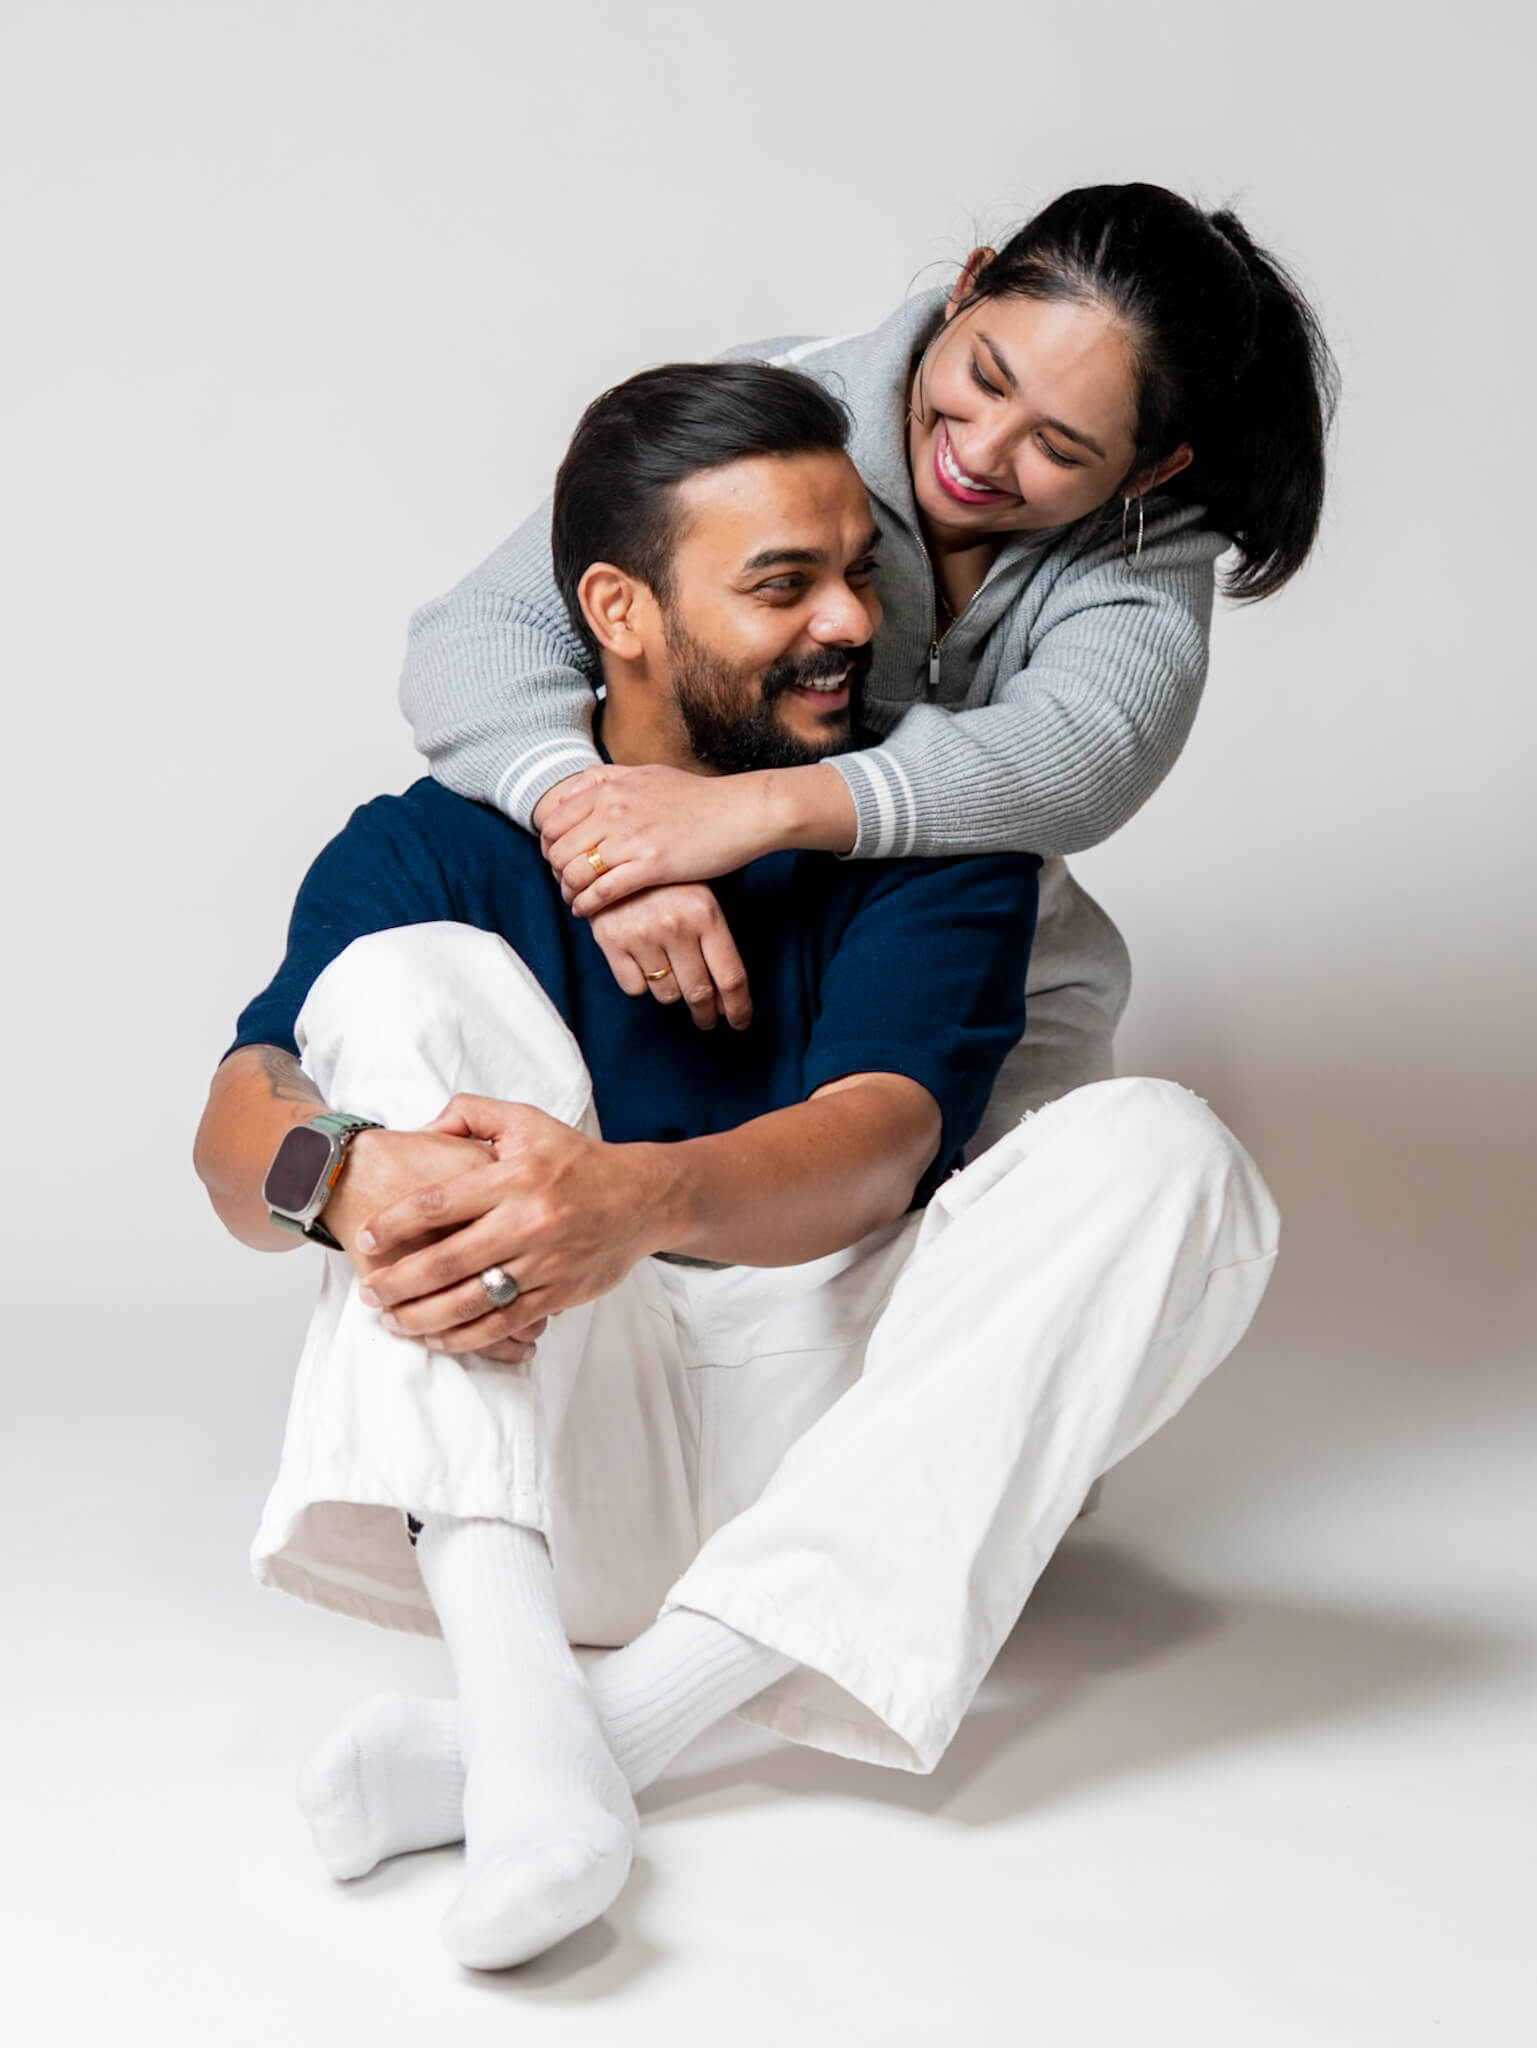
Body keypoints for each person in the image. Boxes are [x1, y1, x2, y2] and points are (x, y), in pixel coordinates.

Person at [194, 361, 1279, 1973]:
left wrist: (636, 1199)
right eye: (782, 587)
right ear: (619, 612)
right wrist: (343, 1182)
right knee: (401, 983)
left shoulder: (924, 826)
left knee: (1169, 1160)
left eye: (858, 572)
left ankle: (571, 1746)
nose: (849, 623)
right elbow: (235, 1130)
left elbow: (881, 1143)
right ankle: (519, 1676)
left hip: (844, 1461)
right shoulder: (433, 840)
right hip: (546, 1459)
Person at [400, 181, 1336, 1148]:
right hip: (716, 952)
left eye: (1057, 447)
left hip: (982, 993)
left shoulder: (1147, 543)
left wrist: (747, 812)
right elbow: (481, 634)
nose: (981, 452)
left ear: (1148, 471)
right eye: (986, 378)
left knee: (1108, 1186)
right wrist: (610, 844)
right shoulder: (787, 410)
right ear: (966, 286)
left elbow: (1084, 757)